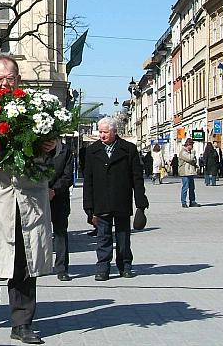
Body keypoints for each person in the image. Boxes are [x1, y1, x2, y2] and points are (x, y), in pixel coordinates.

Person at [0, 55, 53, 344]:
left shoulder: (36, 108)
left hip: (27, 198)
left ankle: (22, 323)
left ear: (18, 79)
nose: (4, 83)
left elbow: (55, 148)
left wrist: (52, 145)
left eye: (10, 78)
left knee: (24, 261)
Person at [83, 117, 148, 281]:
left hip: (121, 199)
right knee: (103, 237)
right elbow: (88, 180)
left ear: (114, 132)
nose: (102, 135)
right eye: (100, 132)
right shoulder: (92, 151)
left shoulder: (128, 149)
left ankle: (125, 266)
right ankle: (102, 268)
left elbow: (137, 178)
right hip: (101, 201)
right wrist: (88, 206)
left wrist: (141, 203)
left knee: (123, 236)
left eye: (105, 132)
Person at [48, 139, 74, 281]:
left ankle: (61, 268)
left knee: (60, 232)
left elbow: (67, 176)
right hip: (37, 195)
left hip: (59, 197)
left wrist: (54, 190)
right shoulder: (35, 148)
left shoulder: (65, 151)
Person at [178, 138, 199, 208]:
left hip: (190, 172)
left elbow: (193, 160)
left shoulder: (190, 152)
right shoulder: (182, 152)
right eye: (191, 145)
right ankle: (183, 202)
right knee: (185, 187)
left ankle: (192, 202)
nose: (192, 147)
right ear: (188, 145)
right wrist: (193, 152)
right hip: (185, 172)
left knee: (192, 188)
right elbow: (189, 159)